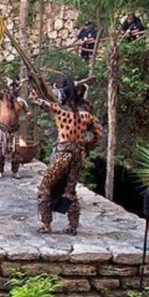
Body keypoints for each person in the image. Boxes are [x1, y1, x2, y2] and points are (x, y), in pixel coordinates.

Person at [29, 78, 103, 235]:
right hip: (78, 156)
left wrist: (32, 89)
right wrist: (88, 146)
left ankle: (47, 224)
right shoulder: (86, 115)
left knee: (44, 188)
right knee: (70, 191)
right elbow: (99, 133)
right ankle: (73, 225)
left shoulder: (60, 110)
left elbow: (37, 101)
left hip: (62, 155)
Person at [0, 74, 32, 179]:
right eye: (12, 86)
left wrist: (29, 115)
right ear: (8, 86)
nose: (13, 88)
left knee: (16, 152)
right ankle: (0, 171)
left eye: (16, 86)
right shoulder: (3, 97)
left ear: (18, 88)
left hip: (14, 130)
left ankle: (14, 172)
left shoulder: (21, 101)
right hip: (2, 129)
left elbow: (28, 111)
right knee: (0, 152)